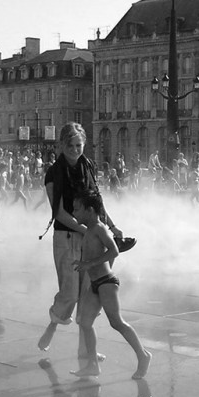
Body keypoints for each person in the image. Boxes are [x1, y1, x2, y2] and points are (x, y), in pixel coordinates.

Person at [38, 122, 124, 358]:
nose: (75, 150)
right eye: (71, 145)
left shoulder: (88, 166)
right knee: (70, 293)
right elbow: (58, 212)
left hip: (90, 237)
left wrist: (112, 226)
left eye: (79, 145)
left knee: (88, 293)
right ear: (62, 145)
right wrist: (84, 229)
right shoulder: (54, 172)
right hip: (66, 236)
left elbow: (97, 204)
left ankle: (86, 349)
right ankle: (53, 325)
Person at [71, 191, 152, 379]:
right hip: (95, 284)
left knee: (116, 322)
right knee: (84, 322)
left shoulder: (100, 228)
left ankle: (143, 355)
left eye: (77, 209)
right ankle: (92, 365)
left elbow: (114, 251)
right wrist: (84, 265)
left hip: (106, 283)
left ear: (90, 210)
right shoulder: (89, 231)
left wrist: (89, 264)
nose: (74, 214)